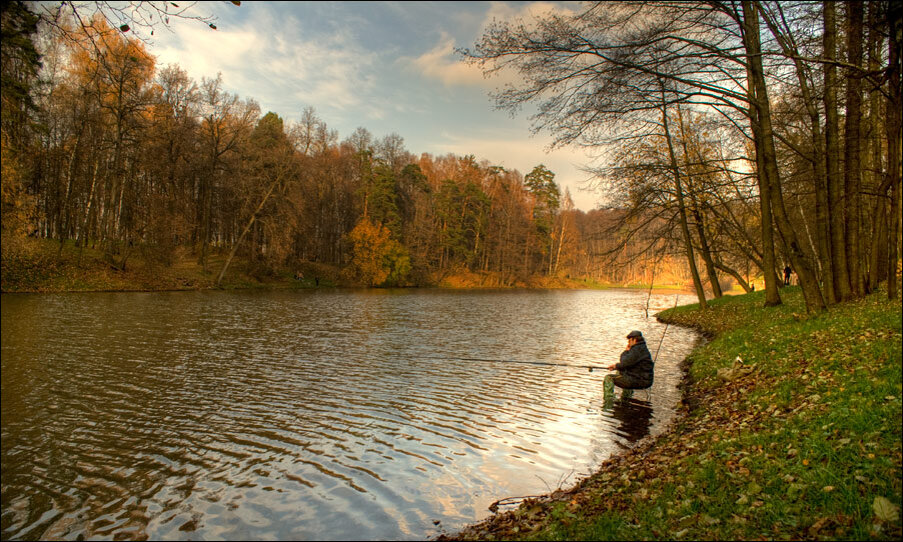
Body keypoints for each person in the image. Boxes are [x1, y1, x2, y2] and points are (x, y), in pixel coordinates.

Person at [604, 330, 654, 399]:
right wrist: (616, 366)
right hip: (644, 380)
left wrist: (626, 351)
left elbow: (624, 362)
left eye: (629, 341)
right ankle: (626, 400)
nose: (628, 343)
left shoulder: (636, 350)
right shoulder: (642, 348)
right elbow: (628, 364)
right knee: (620, 372)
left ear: (634, 340)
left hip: (639, 381)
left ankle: (608, 400)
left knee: (609, 378)